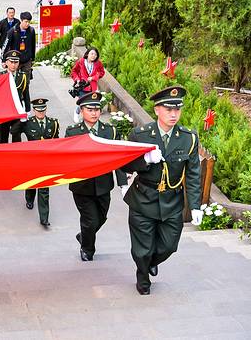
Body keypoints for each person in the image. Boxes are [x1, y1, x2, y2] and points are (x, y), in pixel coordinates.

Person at [121, 86, 203, 295]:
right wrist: (145, 160)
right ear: (157, 110)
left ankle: (150, 261)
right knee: (142, 248)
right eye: (168, 109)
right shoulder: (140, 135)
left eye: (177, 109)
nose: (173, 114)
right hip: (143, 198)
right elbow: (125, 166)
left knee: (169, 246)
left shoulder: (189, 138)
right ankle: (143, 278)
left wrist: (195, 206)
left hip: (172, 201)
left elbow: (193, 174)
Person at [65, 91, 127, 261]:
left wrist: (123, 183)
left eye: (97, 109)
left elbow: (118, 157)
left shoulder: (110, 132)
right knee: (90, 220)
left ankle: (84, 235)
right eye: (90, 110)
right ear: (82, 111)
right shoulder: (73, 132)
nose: (94, 113)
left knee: (101, 217)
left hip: (103, 184)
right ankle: (87, 249)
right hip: (81, 185)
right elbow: (66, 158)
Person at [22, 98, 59, 226]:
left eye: (43, 110)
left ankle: (44, 218)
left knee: (44, 189)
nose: (41, 113)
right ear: (34, 110)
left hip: (46, 161)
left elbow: (56, 141)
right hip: (32, 159)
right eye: (38, 111)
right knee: (32, 183)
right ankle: (29, 198)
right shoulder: (28, 123)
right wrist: (19, 119)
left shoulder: (53, 123)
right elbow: (14, 132)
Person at [0, 50, 30, 143]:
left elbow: (26, 94)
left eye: (16, 62)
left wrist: (27, 110)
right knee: (2, 136)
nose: (13, 65)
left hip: (17, 111)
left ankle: (16, 152)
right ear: (6, 62)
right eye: (11, 62)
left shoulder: (22, 76)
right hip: (4, 112)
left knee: (16, 136)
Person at [71, 47, 105, 122]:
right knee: (82, 102)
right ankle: (76, 113)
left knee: (90, 103)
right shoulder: (81, 61)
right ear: (87, 54)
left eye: (95, 55)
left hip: (92, 87)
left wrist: (94, 77)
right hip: (82, 86)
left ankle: (87, 117)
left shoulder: (98, 63)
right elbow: (74, 71)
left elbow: (102, 72)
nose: (94, 56)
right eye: (92, 54)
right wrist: (77, 79)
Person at [5, 12, 36, 80]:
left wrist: (33, 58)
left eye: (29, 22)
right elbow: (6, 46)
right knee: (14, 80)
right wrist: (4, 60)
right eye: (26, 22)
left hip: (27, 59)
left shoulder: (31, 30)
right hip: (15, 59)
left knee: (26, 81)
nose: (27, 24)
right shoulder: (12, 31)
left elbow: (33, 45)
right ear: (21, 20)